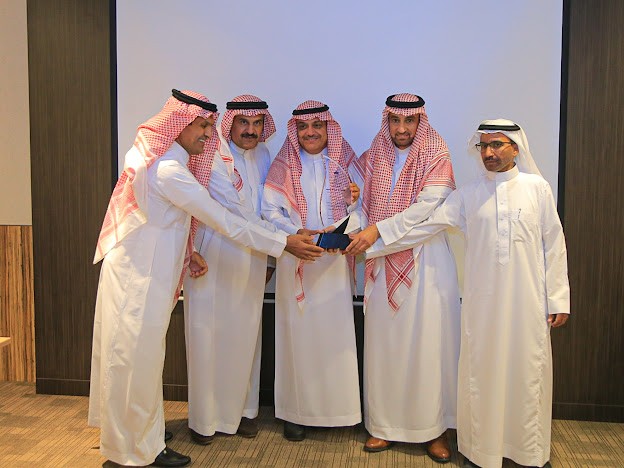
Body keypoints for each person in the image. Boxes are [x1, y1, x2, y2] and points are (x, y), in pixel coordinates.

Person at [88, 89, 323, 467]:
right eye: (200, 126)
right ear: (178, 123)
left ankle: (139, 435)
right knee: (133, 362)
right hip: (139, 278)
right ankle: (133, 452)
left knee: (138, 361)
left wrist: (188, 251)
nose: (207, 134)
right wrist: (284, 244)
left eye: (210, 126)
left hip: (148, 273)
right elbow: (223, 219)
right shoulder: (168, 169)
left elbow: (160, 219)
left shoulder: (163, 159)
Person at [348, 119, 569, 468]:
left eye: (497, 145)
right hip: (483, 304)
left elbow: (553, 244)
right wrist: (372, 244)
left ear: (515, 148)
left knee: (528, 373)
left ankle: (530, 453)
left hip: (528, 303)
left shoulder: (537, 188)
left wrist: (558, 299)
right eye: (484, 146)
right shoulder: (467, 194)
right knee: (481, 375)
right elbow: (426, 228)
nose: (489, 152)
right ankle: (482, 453)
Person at [347, 93, 460, 462]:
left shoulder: (437, 154)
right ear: (387, 121)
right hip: (382, 264)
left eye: (409, 121)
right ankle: (383, 426)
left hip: (427, 263)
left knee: (428, 347)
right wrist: (356, 216)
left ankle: (433, 430)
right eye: (395, 120)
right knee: (385, 347)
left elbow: (428, 208)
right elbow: (358, 203)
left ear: (419, 121)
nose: (401, 128)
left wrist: (378, 231)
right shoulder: (374, 154)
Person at [261, 100, 361, 441]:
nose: (310, 133)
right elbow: (269, 211)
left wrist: (344, 220)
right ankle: (296, 413)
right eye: (303, 127)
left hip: (333, 262)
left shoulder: (347, 162)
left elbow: (365, 207)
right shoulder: (283, 165)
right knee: (298, 340)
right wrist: (295, 234)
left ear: (328, 128)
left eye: (317, 126)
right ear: (296, 131)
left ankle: (340, 411)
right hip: (296, 255)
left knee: (334, 340)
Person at [183, 94, 279, 443]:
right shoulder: (212, 155)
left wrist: (271, 258)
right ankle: (205, 420)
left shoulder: (265, 155)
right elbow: (235, 210)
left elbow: (269, 209)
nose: (250, 131)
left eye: (257, 124)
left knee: (246, 335)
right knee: (209, 336)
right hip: (214, 254)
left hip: (254, 255)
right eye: (243, 123)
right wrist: (280, 245)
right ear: (230, 123)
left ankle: (243, 412)